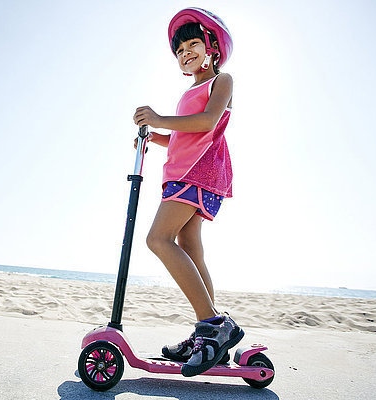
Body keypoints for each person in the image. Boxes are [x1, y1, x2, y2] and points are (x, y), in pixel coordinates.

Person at [132, 7, 243, 377]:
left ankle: (212, 326)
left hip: (198, 173)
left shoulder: (220, 81)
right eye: (180, 50)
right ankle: (211, 335)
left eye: (193, 44)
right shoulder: (189, 90)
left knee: (158, 239)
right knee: (191, 248)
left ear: (212, 46)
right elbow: (183, 135)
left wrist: (159, 117)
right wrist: (154, 135)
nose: (186, 53)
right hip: (183, 172)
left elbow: (207, 122)